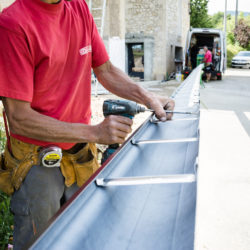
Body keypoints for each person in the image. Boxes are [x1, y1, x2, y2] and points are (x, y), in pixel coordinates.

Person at [0, 0, 175, 249]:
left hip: (79, 155)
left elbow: (105, 70)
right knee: (41, 242)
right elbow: (19, 119)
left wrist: (148, 97)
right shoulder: (13, 24)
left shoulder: (79, 7)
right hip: (37, 161)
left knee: (83, 236)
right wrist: (96, 132)